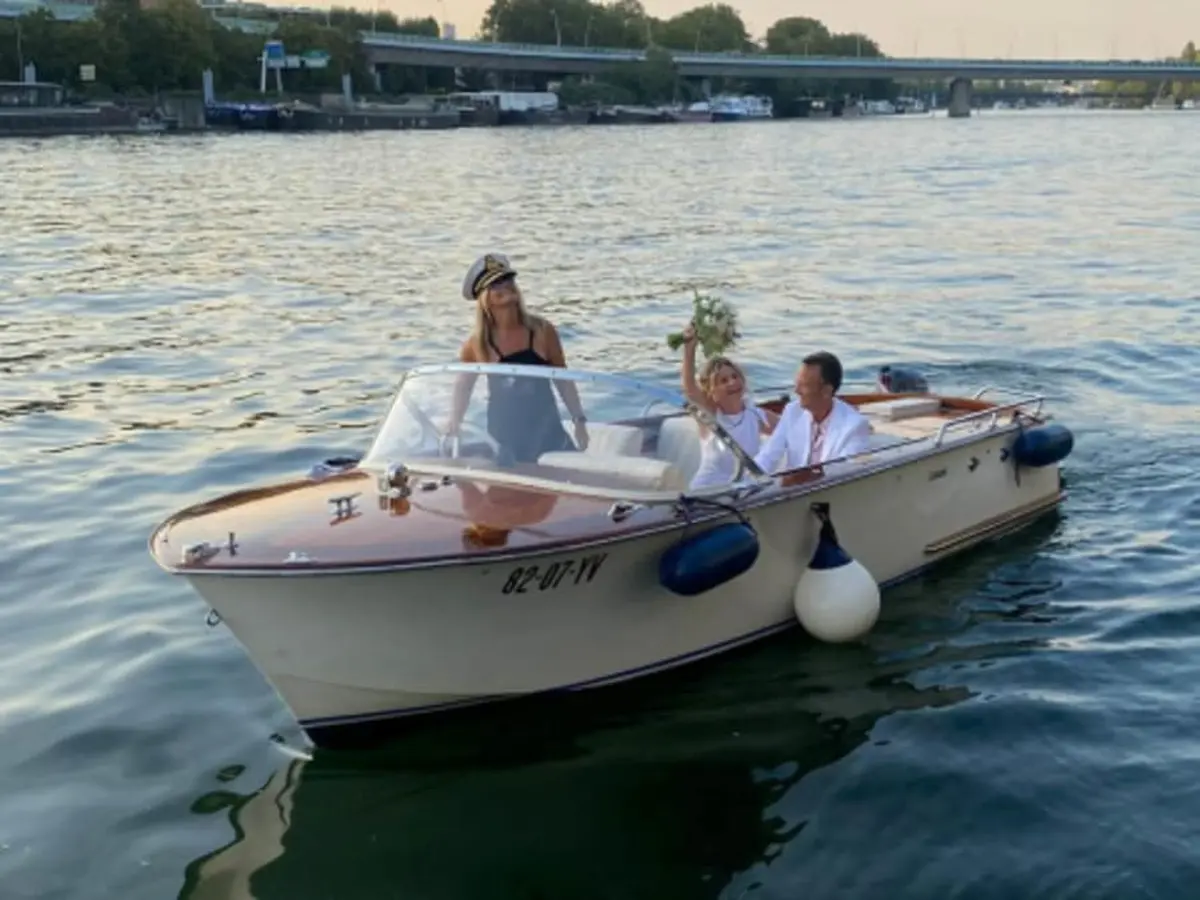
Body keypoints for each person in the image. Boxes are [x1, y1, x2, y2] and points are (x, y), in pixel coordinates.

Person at [447, 253, 589, 464]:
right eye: (496, 284)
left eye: (509, 279)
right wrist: (453, 425)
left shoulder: (542, 330)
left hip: (547, 432)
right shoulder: (476, 345)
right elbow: (463, 387)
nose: (506, 286)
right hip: (504, 440)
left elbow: (563, 379)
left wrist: (579, 420)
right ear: (485, 297)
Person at [678, 322, 777, 488]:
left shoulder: (757, 415)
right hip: (708, 492)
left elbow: (791, 429)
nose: (732, 382)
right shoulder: (710, 415)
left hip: (743, 491)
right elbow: (689, 387)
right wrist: (689, 349)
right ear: (711, 391)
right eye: (723, 381)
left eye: (735, 376)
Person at [754, 351, 872, 474]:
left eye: (803, 385)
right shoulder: (792, 411)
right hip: (793, 490)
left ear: (826, 390)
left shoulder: (854, 425)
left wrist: (794, 481)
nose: (796, 391)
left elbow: (844, 473)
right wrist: (750, 481)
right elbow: (768, 455)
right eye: (797, 384)